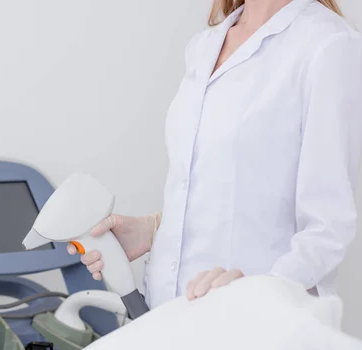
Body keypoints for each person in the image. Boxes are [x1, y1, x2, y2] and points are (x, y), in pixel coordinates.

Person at [68, 0, 362, 308]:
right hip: (165, 311)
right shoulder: (205, 44)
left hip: (254, 326)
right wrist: (153, 229)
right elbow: (218, 188)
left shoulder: (328, 45)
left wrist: (261, 293)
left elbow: (328, 228)